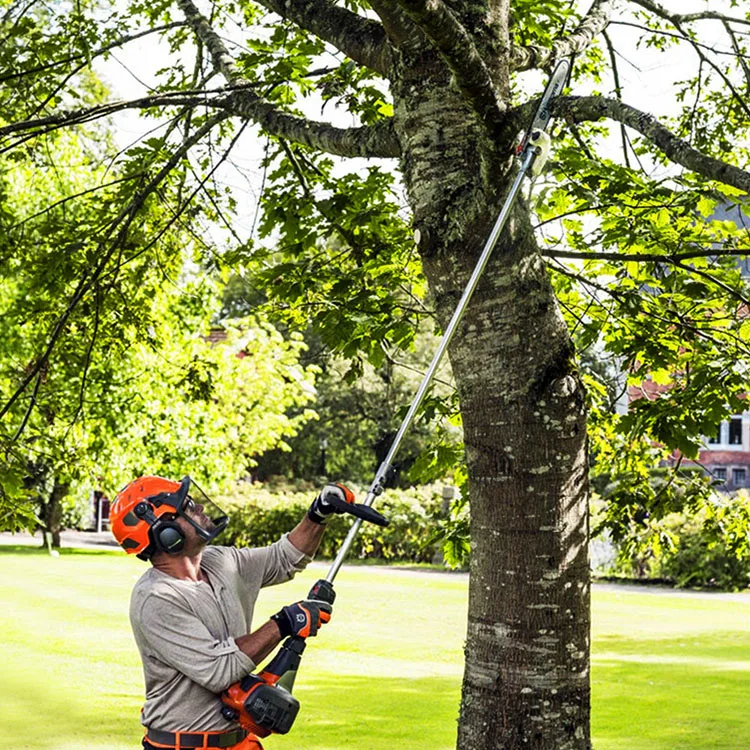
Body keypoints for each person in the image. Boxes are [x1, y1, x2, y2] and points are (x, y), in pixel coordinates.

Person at [110, 475, 354, 750]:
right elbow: (219, 670)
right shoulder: (156, 598)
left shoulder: (219, 561)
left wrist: (319, 513)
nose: (200, 508)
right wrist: (284, 622)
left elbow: (284, 557)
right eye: (187, 506)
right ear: (166, 534)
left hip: (238, 742)